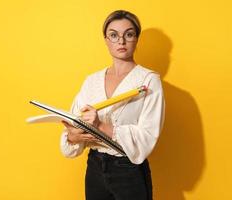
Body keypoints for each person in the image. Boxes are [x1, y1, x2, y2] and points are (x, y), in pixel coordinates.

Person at [60, 10, 165, 200]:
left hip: (129, 170)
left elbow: (147, 137)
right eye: (114, 35)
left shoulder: (149, 81)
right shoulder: (91, 81)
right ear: (106, 39)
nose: (121, 41)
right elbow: (75, 122)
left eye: (129, 34)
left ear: (136, 38)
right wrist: (73, 136)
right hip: (94, 167)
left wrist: (100, 125)